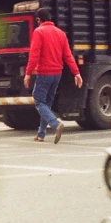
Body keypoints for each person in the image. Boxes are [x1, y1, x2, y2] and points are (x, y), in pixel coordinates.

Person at [23, 8, 83, 143]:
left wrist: (27, 74)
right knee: (47, 104)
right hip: (57, 75)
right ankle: (41, 134)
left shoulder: (39, 32)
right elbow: (68, 56)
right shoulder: (61, 33)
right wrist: (76, 73)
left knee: (39, 101)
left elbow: (34, 56)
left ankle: (55, 124)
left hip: (44, 74)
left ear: (38, 19)